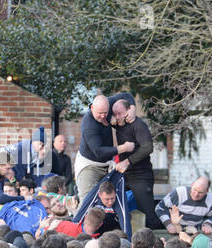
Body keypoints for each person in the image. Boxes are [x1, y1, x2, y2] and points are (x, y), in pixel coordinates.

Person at [74, 93, 136, 204]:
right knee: (87, 202)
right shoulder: (89, 125)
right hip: (89, 165)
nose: (103, 116)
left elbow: (126, 95)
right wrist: (124, 148)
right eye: (100, 113)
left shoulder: (107, 102)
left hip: (107, 163)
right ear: (92, 108)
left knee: (112, 199)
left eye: (105, 113)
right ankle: (76, 219)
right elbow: (99, 152)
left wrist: (132, 109)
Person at [113, 99, 161, 229]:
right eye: (114, 114)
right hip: (124, 174)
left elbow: (148, 148)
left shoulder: (138, 124)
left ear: (129, 111)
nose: (117, 117)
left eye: (119, 113)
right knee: (114, 207)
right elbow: (120, 97)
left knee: (148, 215)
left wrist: (127, 161)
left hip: (141, 175)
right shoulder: (117, 123)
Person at [38, 207, 106, 239]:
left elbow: (39, 236)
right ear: (100, 225)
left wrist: (41, 227)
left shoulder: (63, 225)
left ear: (85, 217)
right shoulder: (96, 244)